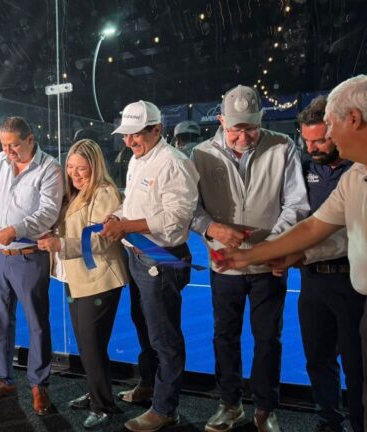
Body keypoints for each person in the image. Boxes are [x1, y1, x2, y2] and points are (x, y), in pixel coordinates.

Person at [219, 73, 367, 432]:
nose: (326, 137)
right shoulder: (358, 174)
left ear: (353, 119)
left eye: (329, 126)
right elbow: (313, 227)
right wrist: (250, 256)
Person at [190, 85, 309, 432]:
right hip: (223, 264)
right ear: (222, 120)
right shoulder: (200, 154)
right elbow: (191, 209)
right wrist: (213, 228)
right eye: (236, 128)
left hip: (268, 265)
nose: (243, 135)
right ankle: (230, 404)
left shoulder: (282, 146)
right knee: (224, 335)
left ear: (261, 120)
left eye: (251, 127)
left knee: (268, 337)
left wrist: (268, 246)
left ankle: (265, 408)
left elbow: (296, 204)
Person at [100, 101, 200, 432]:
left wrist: (125, 227)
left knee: (164, 337)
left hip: (161, 259)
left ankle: (165, 408)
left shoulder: (175, 163)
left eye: (135, 134)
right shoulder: (139, 158)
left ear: (157, 129)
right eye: (126, 135)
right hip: (140, 256)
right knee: (145, 328)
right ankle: (149, 385)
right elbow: (133, 202)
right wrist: (118, 214)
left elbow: (175, 221)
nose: (129, 142)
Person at [0, 116, 63, 416]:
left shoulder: (49, 167)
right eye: (3, 145)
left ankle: (39, 385)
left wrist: (16, 229)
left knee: (37, 323)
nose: (7, 151)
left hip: (29, 255)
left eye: (13, 145)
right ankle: (2, 379)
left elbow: (48, 212)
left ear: (30, 139)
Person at [37, 139, 129, 430]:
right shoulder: (74, 194)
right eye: (71, 167)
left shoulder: (104, 193)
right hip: (76, 280)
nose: (75, 174)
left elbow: (101, 238)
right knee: (87, 345)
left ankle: (104, 406)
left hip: (99, 281)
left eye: (82, 169)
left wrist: (60, 244)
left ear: (95, 167)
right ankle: (95, 394)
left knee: (92, 346)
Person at [292, 96, 364, 432]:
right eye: (307, 140)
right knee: (318, 359)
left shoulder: (364, 168)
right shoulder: (305, 169)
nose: (312, 147)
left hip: (355, 281)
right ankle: (328, 422)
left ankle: (365, 423)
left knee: (358, 364)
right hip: (312, 281)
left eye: (320, 139)